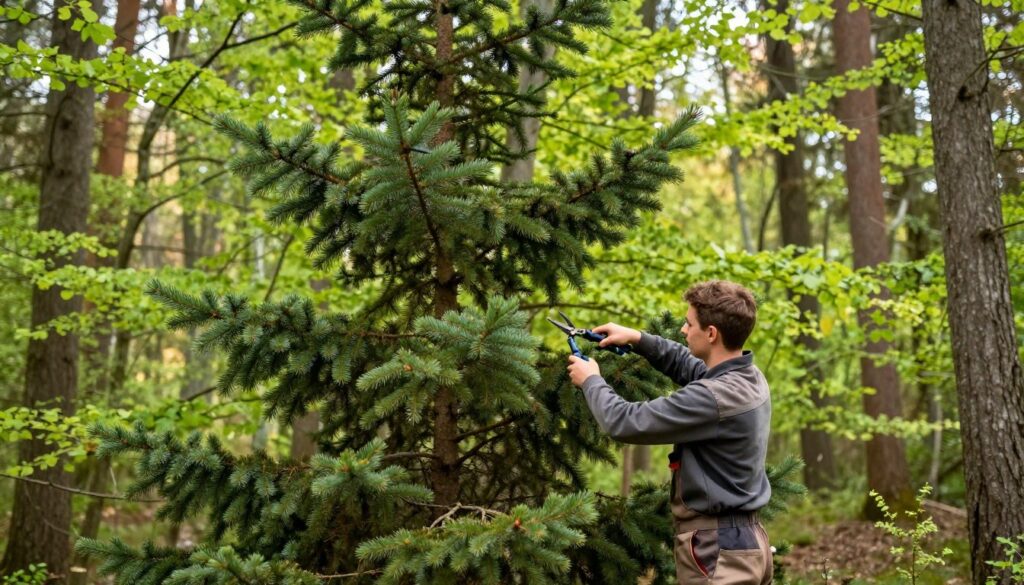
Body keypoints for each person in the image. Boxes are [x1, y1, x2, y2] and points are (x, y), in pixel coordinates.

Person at [567, 280, 773, 585]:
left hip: (717, 550)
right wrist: (637, 338)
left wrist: (591, 381)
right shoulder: (747, 376)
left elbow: (623, 421)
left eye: (689, 324)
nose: (682, 330)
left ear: (712, 333)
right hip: (745, 543)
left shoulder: (714, 398)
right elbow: (686, 364)